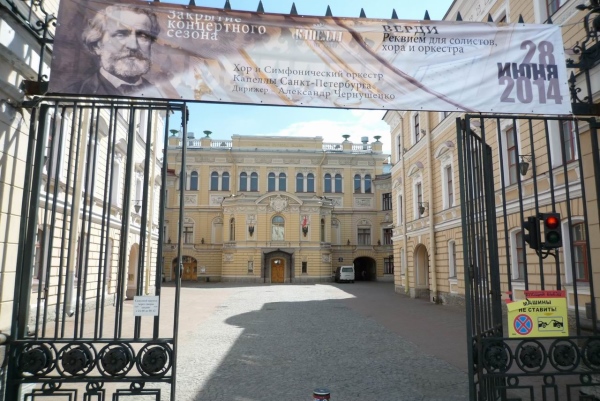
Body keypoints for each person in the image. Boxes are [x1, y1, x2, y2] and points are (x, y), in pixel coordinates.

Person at [67, 4, 166, 97]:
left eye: (143, 36)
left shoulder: (160, 97)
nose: (133, 45)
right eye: (121, 34)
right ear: (97, 46)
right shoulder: (73, 93)